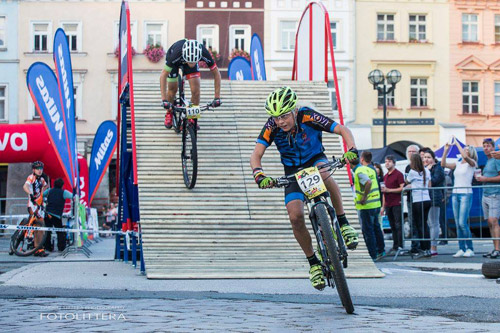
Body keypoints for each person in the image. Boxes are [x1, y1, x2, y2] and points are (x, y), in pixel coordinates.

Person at [249, 86, 359, 290]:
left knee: (324, 174)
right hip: (292, 170)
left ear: (294, 111)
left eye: (284, 116)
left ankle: (343, 223)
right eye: (275, 117)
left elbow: (342, 129)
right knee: (295, 216)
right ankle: (313, 263)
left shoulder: (308, 115)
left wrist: (352, 149)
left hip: (315, 159)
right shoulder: (271, 126)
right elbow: (256, 155)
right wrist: (259, 174)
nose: (280, 121)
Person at [160, 39, 222, 129]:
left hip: (187, 59)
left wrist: (217, 97)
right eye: (190, 62)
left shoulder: (203, 52)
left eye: (194, 62)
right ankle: (169, 112)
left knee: (195, 91)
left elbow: (216, 73)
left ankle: (192, 117)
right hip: (175, 61)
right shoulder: (175, 54)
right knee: (172, 89)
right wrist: (164, 100)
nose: (191, 64)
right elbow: (163, 75)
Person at [441, 137, 478, 258]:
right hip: (455, 194)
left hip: (466, 194)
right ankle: (461, 248)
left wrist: (457, 143)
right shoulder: (457, 163)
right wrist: (446, 151)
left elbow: (466, 158)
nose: (463, 151)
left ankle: (470, 248)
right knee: (457, 223)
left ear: (469, 152)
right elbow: (443, 164)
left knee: (462, 223)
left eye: (466, 149)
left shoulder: (471, 163)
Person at [350, 151, 385, 261]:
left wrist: (364, 197)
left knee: (368, 231)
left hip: (366, 205)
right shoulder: (371, 169)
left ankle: (372, 254)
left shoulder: (359, 171)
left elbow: (368, 183)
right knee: (376, 228)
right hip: (376, 203)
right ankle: (381, 250)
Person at [476, 138, 500, 259]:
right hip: (486, 194)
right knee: (489, 223)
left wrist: (486, 179)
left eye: (488, 146)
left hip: (495, 194)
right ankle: (494, 248)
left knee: (493, 221)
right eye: (484, 146)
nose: (486, 148)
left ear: (493, 147)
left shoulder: (496, 159)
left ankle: (497, 249)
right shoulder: (488, 161)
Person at [406, 154, 432, 258]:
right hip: (427, 199)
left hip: (417, 200)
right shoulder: (427, 171)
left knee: (419, 225)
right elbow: (429, 184)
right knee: (425, 224)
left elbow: (406, 181)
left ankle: (423, 248)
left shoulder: (412, 172)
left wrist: (412, 185)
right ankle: (428, 248)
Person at [22, 161, 49, 257]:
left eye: (41, 169)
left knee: (40, 226)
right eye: (38, 169)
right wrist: (30, 194)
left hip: (39, 206)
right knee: (38, 222)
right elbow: (25, 186)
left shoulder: (42, 180)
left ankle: (38, 248)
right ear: (34, 170)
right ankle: (29, 235)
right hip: (32, 205)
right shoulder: (31, 177)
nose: (39, 170)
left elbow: (45, 188)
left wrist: (42, 199)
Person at [423, 149, 445, 256]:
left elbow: (432, 182)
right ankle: (428, 246)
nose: (426, 159)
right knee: (429, 223)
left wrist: (428, 171)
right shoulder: (424, 169)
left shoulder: (438, 168)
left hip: (434, 198)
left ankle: (433, 247)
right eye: (425, 157)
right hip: (425, 198)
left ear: (433, 158)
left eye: (428, 157)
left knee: (434, 223)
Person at [381, 155, 405, 254]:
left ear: (394, 163)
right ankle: (395, 245)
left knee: (398, 224)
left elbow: (402, 188)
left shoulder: (398, 174)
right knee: (392, 225)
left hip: (396, 202)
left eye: (389, 161)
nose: (387, 163)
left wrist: (389, 190)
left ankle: (400, 245)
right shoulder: (385, 176)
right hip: (388, 203)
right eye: (386, 161)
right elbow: (384, 193)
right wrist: (383, 206)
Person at [43, 178, 73, 252]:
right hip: (57, 215)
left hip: (48, 213)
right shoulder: (64, 192)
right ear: (62, 185)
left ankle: (48, 247)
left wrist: (44, 201)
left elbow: (42, 195)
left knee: (47, 231)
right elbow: (73, 196)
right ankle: (61, 247)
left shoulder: (49, 191)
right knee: (60, 231)